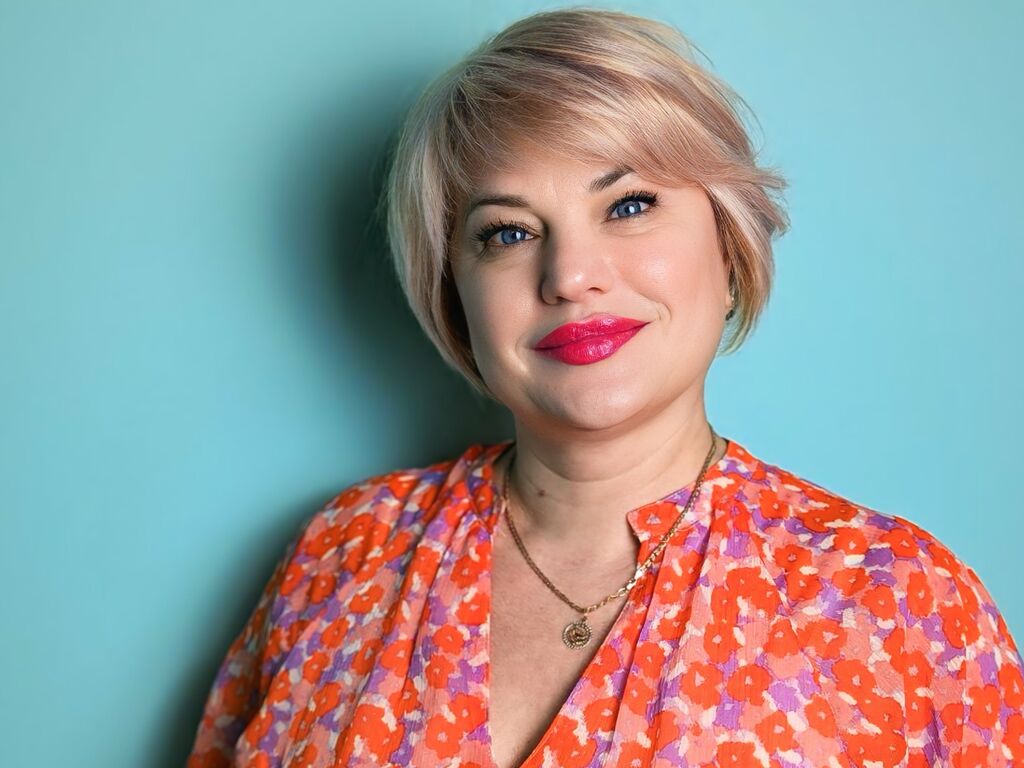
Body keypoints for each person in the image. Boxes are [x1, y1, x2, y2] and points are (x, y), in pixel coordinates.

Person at [187, 8, 1024, 767]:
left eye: (627, 205)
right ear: (454, 296)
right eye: (507, 233)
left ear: (730, 250)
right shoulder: (345, 555)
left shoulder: (899, 604)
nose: (570, 275)